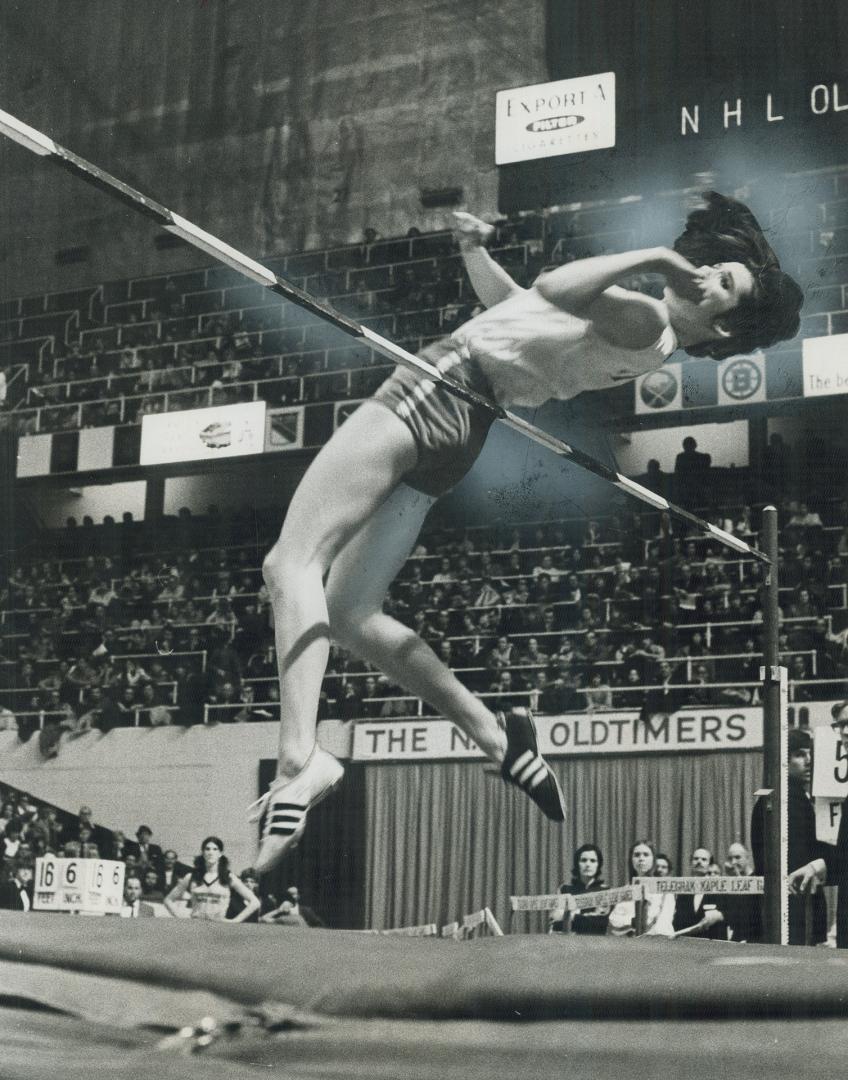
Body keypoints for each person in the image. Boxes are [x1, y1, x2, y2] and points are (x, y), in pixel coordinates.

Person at [254, 192, 803, 873]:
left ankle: (298, 762)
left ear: (721, 328)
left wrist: (658, 254)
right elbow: (522, 307)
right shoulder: (646, 335)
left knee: (291, 565)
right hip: (466, 426)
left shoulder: (648, 320)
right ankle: (496, 739)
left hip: (442, 385)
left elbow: (553, 285)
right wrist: (472, 251)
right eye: (716, 265)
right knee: (350, 610)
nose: (707, 272)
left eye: (723, 282)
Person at [783, 721, 841, 944]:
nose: (808, 761)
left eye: (810, 754)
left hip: (807, 900)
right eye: (799, 755)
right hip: (796, 905)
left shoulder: (806, 798)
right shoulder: (785, 800)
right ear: (785, 760)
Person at [164, 835, 259, 922]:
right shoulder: (192, 876)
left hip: (218, 928)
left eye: (215, 849)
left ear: (220, 853)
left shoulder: (228, 877)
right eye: (207, 849)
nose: (211, 852)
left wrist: (235, 921)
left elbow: (255, 903)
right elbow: (168, 900)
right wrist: (182, 918)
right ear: (202, 852)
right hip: (196, 926)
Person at [607, 839, 676, 937]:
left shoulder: (664, 890)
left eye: (646, 854)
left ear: (653, 859)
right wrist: (632, 922)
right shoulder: (625, 890)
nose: (641, 858)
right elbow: (614, 920)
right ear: (631, 859)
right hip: (628, 943)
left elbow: (665, 921)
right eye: (637, 855)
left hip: (657, 942)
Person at [550, 842, 609, 935]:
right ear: (577, 863)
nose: (588, 864)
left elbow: (600, 925)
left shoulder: (605, 891)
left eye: (593, 861)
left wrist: (571, 915)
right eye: (584, 860)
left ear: (598, 865)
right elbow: (556, 924)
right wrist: (585, 917)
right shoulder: (565, 889)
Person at [671, 847, 727, 939]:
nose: (699, 862)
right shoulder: (684, 890)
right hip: (687, 945)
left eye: (704, 859)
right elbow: (678, 920)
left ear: (710, 865)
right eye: (696, 859)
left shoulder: (719, 889)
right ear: (690, 863)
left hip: (712, 945)